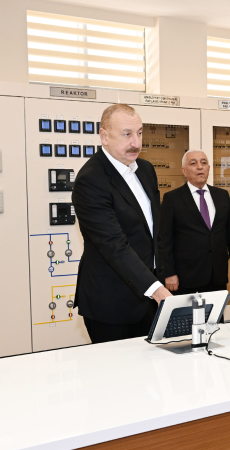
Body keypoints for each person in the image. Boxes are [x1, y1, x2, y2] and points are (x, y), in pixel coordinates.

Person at [71, 104, 172, 343]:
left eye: (139, 133)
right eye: (127, 134)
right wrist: (157, 290)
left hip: (148, 297)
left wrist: (163, 276)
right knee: (116, 367)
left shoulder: (145, 170)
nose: (136, 143)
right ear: (104, 136)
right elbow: (114, 246)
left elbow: (154, 230)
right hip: (111, 303)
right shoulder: (90, 180)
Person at [159, 150, 230, 298]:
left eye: (203, 163)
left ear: (209, 168)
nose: (200, 167)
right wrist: (169, 273)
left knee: (215, 313)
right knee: (186, 313)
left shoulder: (222, 195)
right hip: (185, 276)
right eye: (193, 163)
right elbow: (165, 240)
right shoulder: (172, 199)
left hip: (216, 274)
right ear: (184, 170)